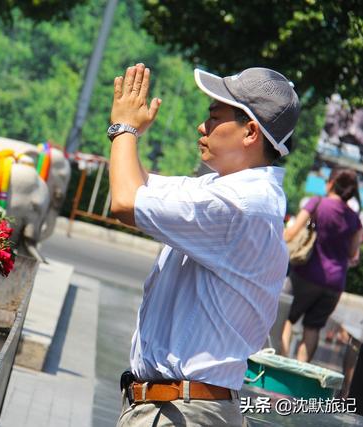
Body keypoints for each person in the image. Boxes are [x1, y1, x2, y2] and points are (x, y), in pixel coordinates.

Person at [108, 63, 300, 426]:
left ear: (250, 133)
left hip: (182, 411)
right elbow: (136, 185)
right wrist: (125, 135)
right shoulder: (227, 190)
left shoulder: (239, 203)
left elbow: (124, 202)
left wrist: (124, 129)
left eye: (214, 117)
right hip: (178, 406)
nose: (202, 126)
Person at [281, 168, 363, 362]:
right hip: (335, 283)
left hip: (306, 275)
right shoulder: (355, 219)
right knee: (313, 328)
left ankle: (282, 365)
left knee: (285, 317)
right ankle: (300, 376)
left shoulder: (317, 203)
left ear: (332, 183)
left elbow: (291, 233)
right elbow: (353, 254)